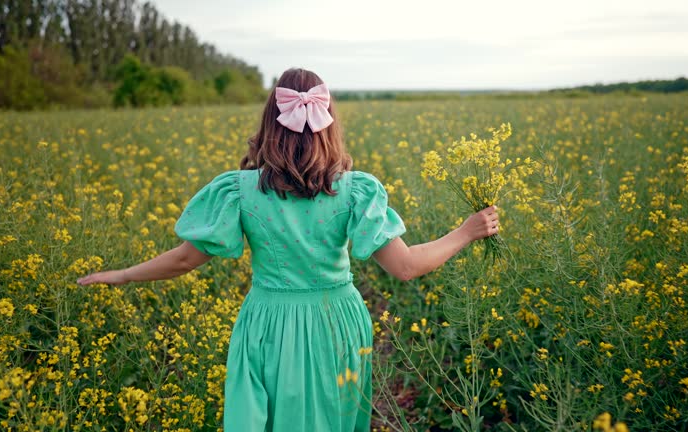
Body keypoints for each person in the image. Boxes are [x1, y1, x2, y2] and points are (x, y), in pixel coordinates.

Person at [77, 67, 501, 432]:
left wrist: (122, 274)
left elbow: (186, 259)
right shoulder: (355, 190)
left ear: (270, 123)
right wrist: (466, 231)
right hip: (336, 321)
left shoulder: (240, 190)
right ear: (329, 121)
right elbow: (406, 267)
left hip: (268, 322)